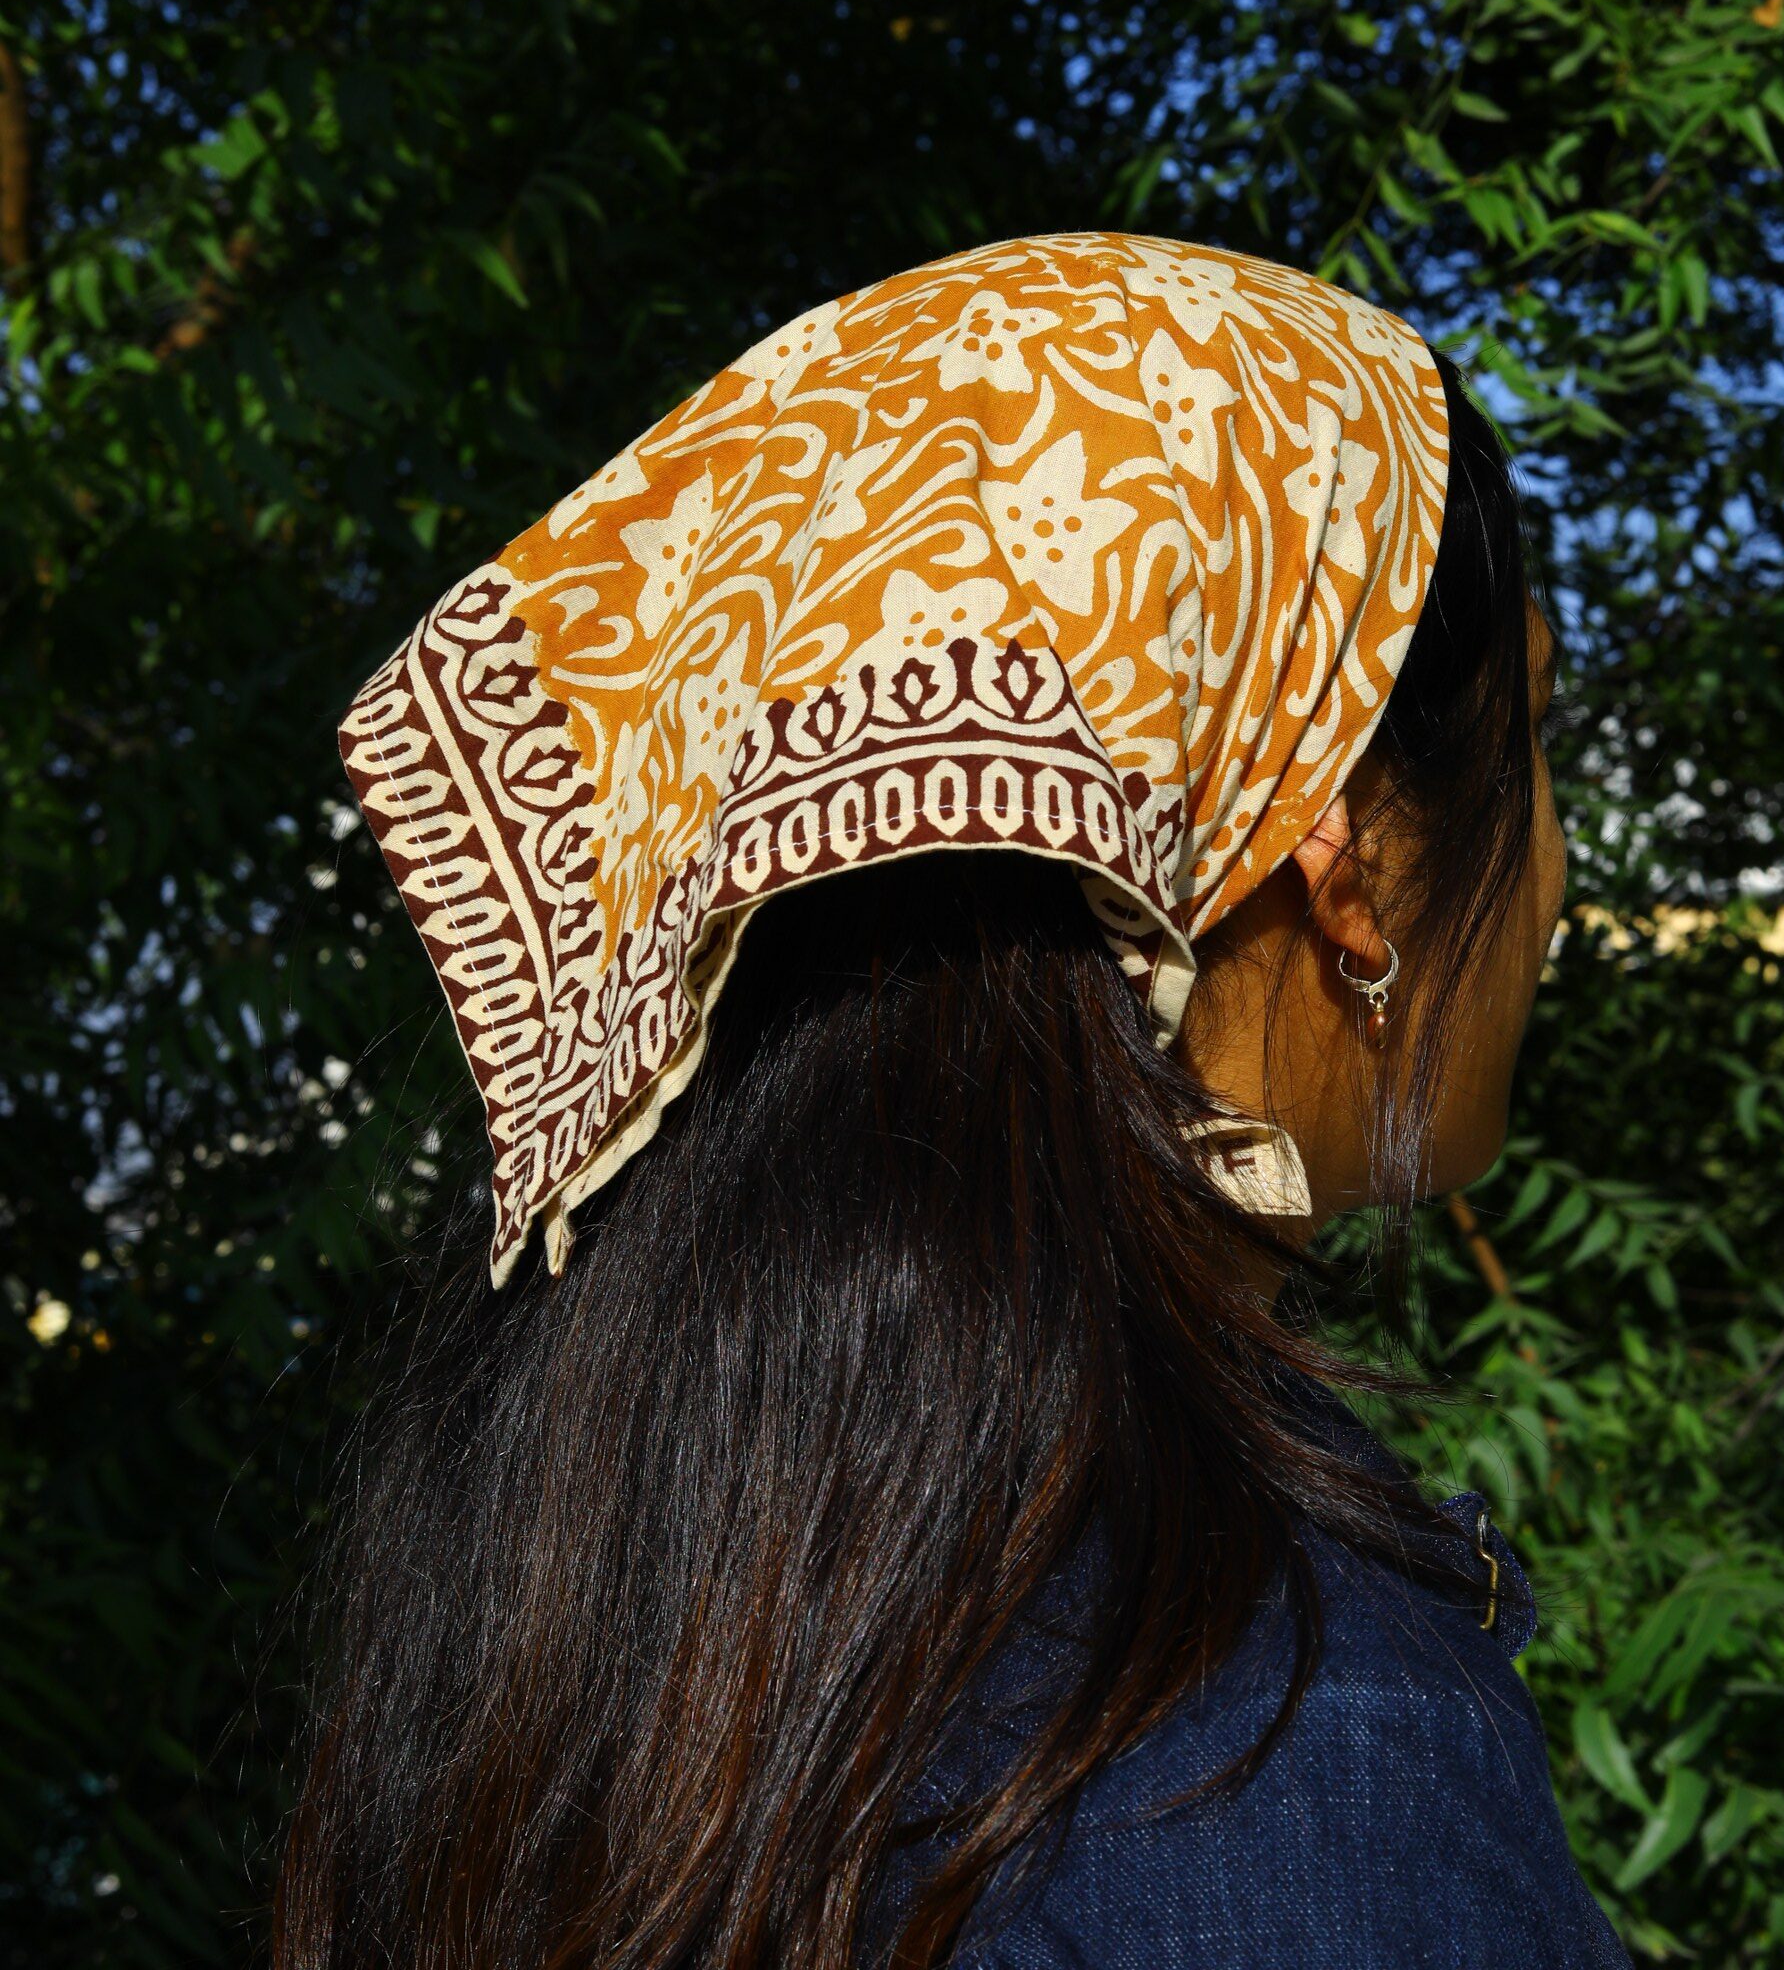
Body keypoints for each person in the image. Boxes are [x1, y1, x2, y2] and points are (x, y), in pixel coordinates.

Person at [277, 232, 1630, 1967]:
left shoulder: (564, 1591)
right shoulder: (1298, 1737)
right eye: (1530, 735)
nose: (1559, 870)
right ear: (1348, 856)